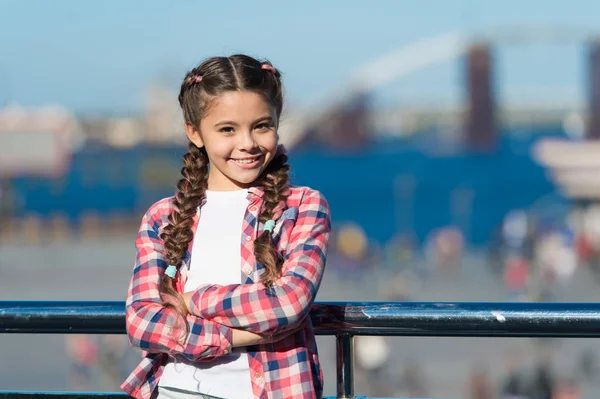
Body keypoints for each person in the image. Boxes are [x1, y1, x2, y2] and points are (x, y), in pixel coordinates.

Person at [121, 54, 331, 399]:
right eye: (227, 129)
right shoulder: (162, 216)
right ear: (195, 132)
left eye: (261, 126)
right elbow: (141, 322)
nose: (247, 143)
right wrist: (232, 335)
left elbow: (289, 303)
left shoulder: (302, 206)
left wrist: (187, 302)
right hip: (178, 391)